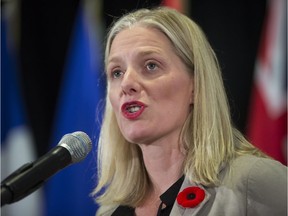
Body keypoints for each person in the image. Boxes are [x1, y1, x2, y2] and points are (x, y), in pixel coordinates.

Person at [92, 6, 287, 216]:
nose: (126, 83)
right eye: (117, 72)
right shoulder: (108, 212)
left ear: (195, 86)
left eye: (150, 66)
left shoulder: (255, 183)